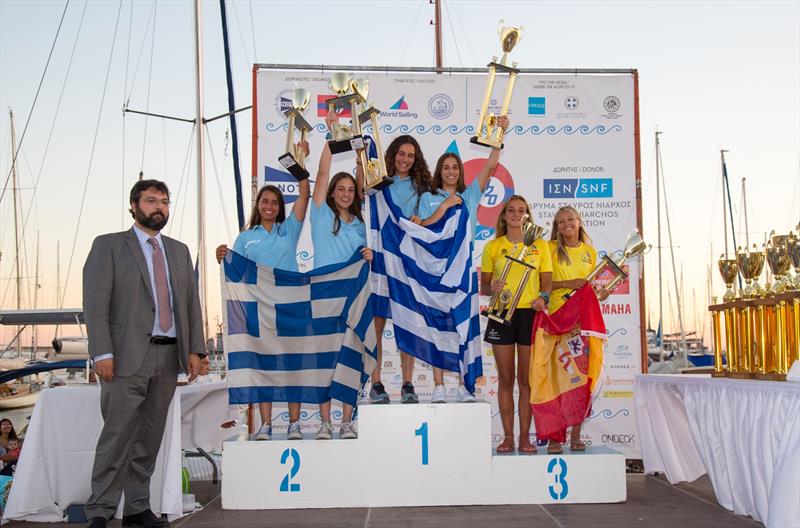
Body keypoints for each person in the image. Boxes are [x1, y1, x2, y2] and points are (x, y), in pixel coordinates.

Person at [83, 179, 208, 528]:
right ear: (134, 206)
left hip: (168, 359)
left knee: (149, 440)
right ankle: (100, 511)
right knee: (117, 437)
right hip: (123, 359)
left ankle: (137, 509)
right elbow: (95, 305)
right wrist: (102, 353)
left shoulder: (179, 251)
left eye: (165, 202)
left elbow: (189, 306)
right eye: (151, 200)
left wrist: (196, 350)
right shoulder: (108, 246)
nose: (159, 208)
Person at [216, 147, 310, 442]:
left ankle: (294, 424)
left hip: (289, 307)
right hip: (258, 310)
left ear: (280, 207)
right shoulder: (246, 237)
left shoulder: (289, 230)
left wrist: (299, 162)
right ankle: (266, 425)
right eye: (265, 201)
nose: (269, 206)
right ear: (258, 205)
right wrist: (222, 255)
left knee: (292, 367)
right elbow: (236, 271)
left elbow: (305, 193)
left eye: (275, 202)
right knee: (263, 367)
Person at [416, 116, 509, 403]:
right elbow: (421, 227)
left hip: (464, 271)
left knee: (462, 327)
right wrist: (444, 205)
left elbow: (491, 164)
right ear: (439, 172)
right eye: (446, 167)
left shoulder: (470, 196)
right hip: (435, 272)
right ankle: (438, 386)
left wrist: (500, 131)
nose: (451, 171)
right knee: (438, 327)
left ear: (460, 172)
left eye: (455, 167)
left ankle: (461, 385)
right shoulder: (429, 197)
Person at [310, 116, 372, 438]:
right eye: (341, 189)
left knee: (351, 356)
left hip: (353, 297)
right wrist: (333, 136)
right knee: (324, 359)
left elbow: (365, 182)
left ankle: (347, 421)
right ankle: (324, 422)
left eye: (351, 190)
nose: (347, 194)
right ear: (332, 193)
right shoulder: (319, 213)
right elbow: (321, 172)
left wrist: (369, 256)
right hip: (322, 294)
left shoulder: (363, 226)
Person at [481, 196, 552, 454]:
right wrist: (492, 287)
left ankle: (525, 438)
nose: (516, 214)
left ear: (527, 216)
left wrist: (542, 299)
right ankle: (508, 437)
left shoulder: (540, 246)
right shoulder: (493, 246)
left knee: (526, 380)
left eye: (522, 210)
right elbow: (484, 285)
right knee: (505, 378)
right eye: (511, 210)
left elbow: (547, 284)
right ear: (503, 216)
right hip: (501, 312)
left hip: (528, 315)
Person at [370, 134, 433, 405]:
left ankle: (408, 384)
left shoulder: (423, 187)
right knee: (376, 326)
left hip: (408, 260)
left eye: (410, 155)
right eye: (401, 153)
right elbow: (363, 187)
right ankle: (376, 383)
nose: (405, 159)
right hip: (380, 258)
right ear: (393, 153)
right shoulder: (378, 180)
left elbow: (432, 219)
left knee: (408, 324)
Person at [540, 205, 607, 454]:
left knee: (579, 380)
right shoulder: (548, 249)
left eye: (570, 219)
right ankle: (556, 438)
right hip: (557, 321)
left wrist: (600, 292)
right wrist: (568, 283)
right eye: (560, 221)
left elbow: (591, 288)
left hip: (582, 324)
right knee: (556, 381)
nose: (566, 224)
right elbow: (541, 283)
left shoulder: (590, 252)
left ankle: (576, 435)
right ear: (556, 228)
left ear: (579, 222)